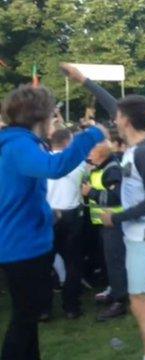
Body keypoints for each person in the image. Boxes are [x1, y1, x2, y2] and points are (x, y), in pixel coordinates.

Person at [63, 63, 145, 360]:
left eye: (118, 114)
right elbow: (113, 102)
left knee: (142, 303)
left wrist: (116, 216)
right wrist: (83, 80)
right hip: (139, 233)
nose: (113, 115)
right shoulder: (138, 141)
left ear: (125, 121)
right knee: (138, 302)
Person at [0, 84, 105, 359]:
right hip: (21, 247)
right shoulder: (19, 144)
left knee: (28, 318)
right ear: (41, 117)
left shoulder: (18, 143)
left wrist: (48, 213)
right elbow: (54, 168)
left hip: (24, 242)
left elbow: (18, 194)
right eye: (52, 112)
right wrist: (91, 134)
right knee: (23, 321)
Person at [42, 128, 87, 321]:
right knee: (73, 262)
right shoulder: (76, 162)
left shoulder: (43, 162)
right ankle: (71, 307)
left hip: (49, 215)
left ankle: (43, 309)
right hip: (70, 215)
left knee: (44, 264)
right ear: (68, 142)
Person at [83, 141, 128, 321]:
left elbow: (116, 197)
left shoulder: (112, 170)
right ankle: (115, 292)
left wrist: (90, 192)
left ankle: (120, 301)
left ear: (101, 154)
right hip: (104, 223)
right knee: (110, 261)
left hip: (114, 224)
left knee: (116, 261)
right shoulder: (100, 167)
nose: (88, 156)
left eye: (91, 153)